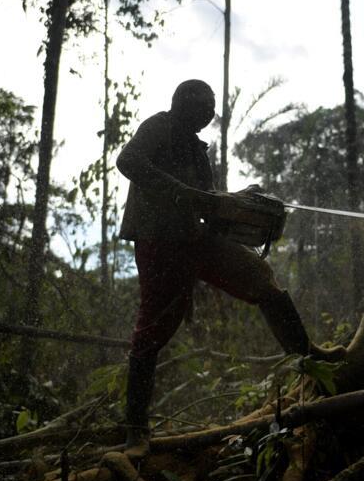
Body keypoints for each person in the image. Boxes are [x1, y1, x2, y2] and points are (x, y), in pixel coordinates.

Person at [115, 79, 345, 456]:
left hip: (196, 240)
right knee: (153, 326)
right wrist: (183, 193)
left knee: (260, 278)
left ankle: (307, 356)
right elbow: (128, 161)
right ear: (183, 104)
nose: (209, 113)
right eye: (204, 106)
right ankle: (136, 429)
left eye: (212, 107)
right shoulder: (158, 125)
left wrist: (240, 202)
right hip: (160, 241)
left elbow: (208, 207)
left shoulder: (197, 151)